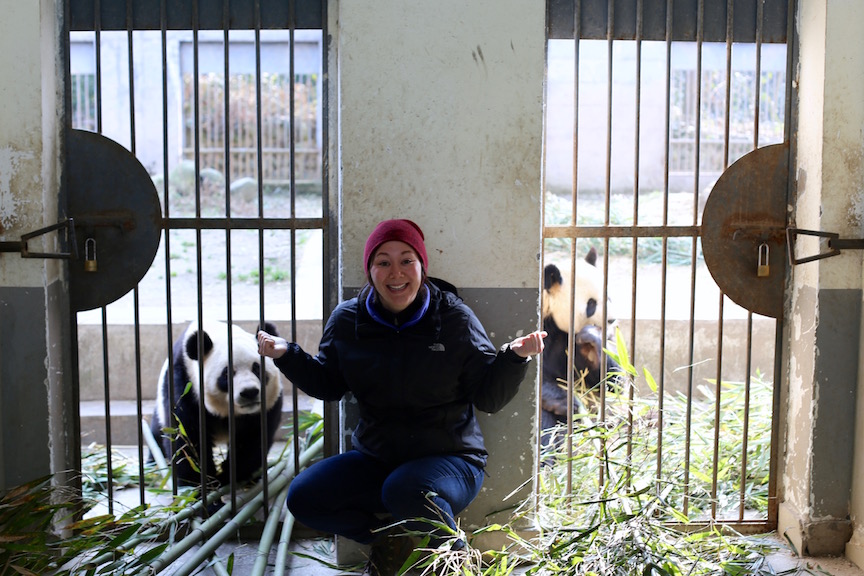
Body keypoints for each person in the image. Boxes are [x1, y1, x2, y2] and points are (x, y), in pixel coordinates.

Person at [257, 218, 546, 576]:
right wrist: (288, 355)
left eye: (407, 260)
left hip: (451, 461)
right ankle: (389, 542)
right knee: (304, 497)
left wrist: (514, 358)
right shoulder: (349, 320)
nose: (396, 272)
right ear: (370, 270)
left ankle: (458, 561)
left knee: (405, 489)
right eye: (384, 261)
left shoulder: (454, 318)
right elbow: (328, 384)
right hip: (378, 459)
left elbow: (488, 397)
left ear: (422, 267)